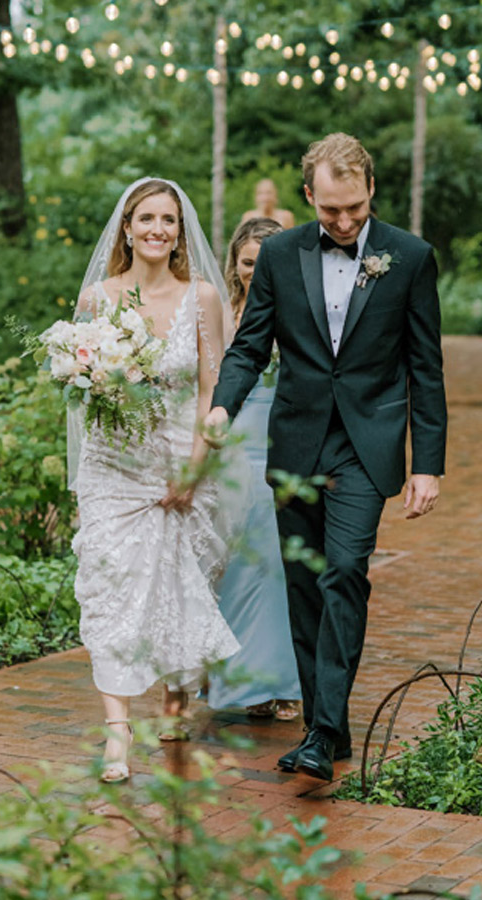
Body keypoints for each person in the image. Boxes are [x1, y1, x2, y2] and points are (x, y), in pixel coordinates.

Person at [204, 133, 447, 781]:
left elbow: (426, 369)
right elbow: (250, 346)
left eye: (355, 208)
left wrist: (428, 463)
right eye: (330, 210)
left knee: (344, 571)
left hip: (366, 446)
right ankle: (327, 730)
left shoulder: (411, 256)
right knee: (305, 588)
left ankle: (321, 732)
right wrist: (223, 406)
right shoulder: (280, 254)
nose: (343, 222)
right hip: (296, 443)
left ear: (370, 189)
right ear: (308, 195)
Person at [70, 178, 240, 783]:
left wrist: (196, 469)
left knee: (178, 581)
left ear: (180, 231)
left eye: (169, 220)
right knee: (111, 585)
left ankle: (177, 690)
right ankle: (117, 735)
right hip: (113, 463)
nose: (157, 229)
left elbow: (210, 390)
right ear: (126, 227)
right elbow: (82, 389)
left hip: (179, 455)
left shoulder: (202, 298)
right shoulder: (97, 299)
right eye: (147, 218)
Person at [208, 217, 301, 721]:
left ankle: (284, 682)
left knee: (277, 568)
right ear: (235, 263)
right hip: (234, 445)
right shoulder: (221, 311)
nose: (255, 272)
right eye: (247, 263)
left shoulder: (298, 309)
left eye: (264, 263)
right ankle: (242, 681)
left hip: (280, 443)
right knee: (233, 566)